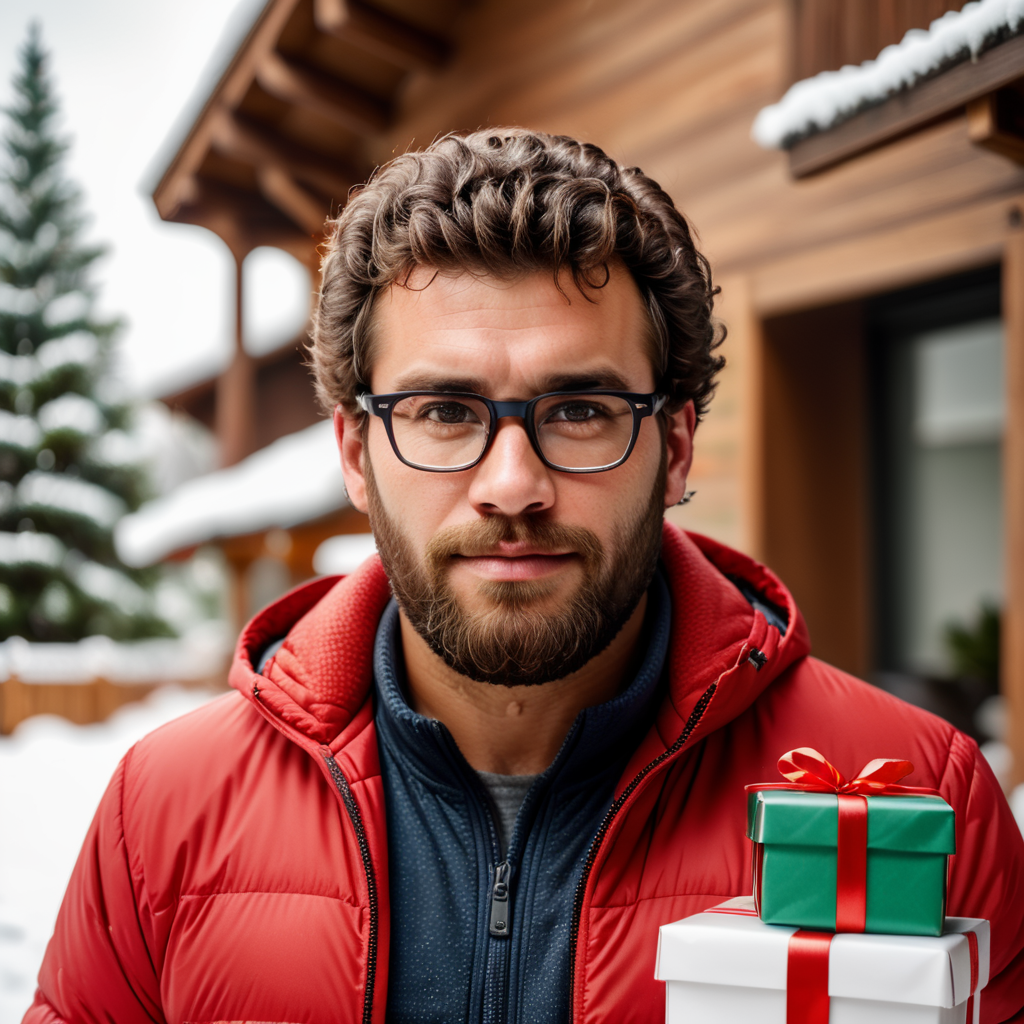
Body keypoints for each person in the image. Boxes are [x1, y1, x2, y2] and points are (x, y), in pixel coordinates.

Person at [26, 129, 1024, 1024]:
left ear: (674, 445)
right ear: (354, 452)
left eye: (580, 409)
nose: (512, 485)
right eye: (445, 413)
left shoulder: (923, 801)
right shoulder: (165, 809)